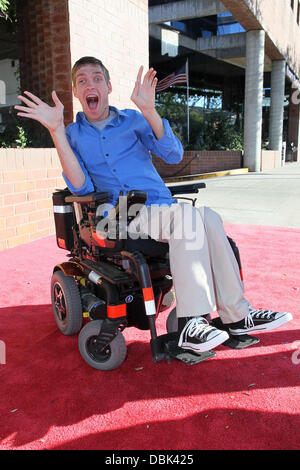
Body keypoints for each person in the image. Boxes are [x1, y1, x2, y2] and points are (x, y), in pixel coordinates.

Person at [15, 56, 293, 355]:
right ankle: (192, 322)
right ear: (76, 91)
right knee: (188, 216)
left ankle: (237, 316)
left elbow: (173, 155)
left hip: (160, 209)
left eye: (97, 78)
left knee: (208, 217)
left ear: (108, 86)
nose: (90, 84)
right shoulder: (72, 135)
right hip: (117, 215)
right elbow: (80, 187)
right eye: (82, 80)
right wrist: (56, 130)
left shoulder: (135, 120)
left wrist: (149, 109)